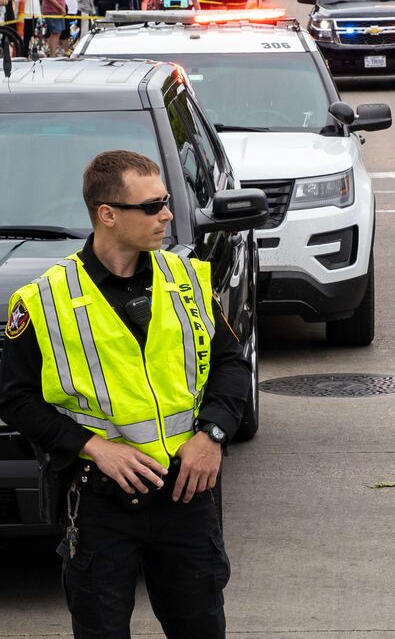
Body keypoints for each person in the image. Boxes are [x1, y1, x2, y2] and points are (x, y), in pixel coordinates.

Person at [0, 150, 249, 638]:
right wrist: (92, 447)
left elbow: (229, 364)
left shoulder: (186, 280)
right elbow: (15, 399)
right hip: (100, 505)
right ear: (108, 215)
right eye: (152, 205)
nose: (168, 214)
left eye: (166, 202)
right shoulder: (43, 300)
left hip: (186, 496)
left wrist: (212, 436)